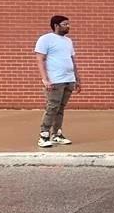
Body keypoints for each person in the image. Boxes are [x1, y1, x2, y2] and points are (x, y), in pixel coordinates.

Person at [34, 15, 81, 148]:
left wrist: (77, 79)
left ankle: (57, 134)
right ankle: (44, 135)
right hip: (55, 80)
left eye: (68, 24)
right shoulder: (45, 39)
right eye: (65, 24)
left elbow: (72, 60)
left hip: (68, 79)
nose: (68, 26)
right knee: (52, 107)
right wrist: (45, 79)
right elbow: (40, 59)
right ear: (56, 25)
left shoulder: (68, 41)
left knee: (60, 108)